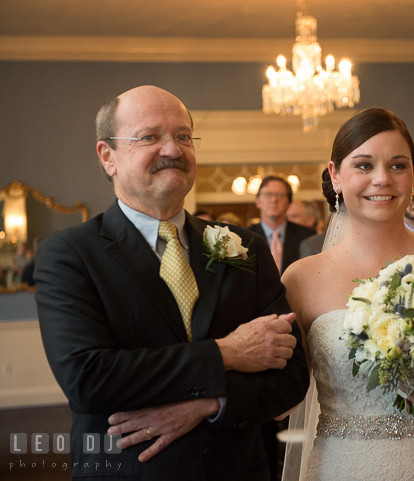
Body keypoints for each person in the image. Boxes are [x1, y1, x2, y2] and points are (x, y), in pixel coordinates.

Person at [34, 85, 309, 480]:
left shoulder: (243, 246)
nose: (173, 150)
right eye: (150, 137)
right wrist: (227, 353)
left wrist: (209, 404)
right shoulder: (69, 253)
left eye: (183, 136)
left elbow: (292, 376)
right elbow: (89, 379)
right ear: (107, 157)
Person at [280, 107, 414, 480]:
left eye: (398, 165)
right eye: (363, 165)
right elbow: (282, 399)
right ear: (335, 176)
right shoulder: (301, 280)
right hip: (345, 465)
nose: (382, 179)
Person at [249, 176, 316, 275]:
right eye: (268, 194)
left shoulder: (307, 236)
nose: (274, 200)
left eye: (280, 195)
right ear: (258, 202)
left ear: (288, 203)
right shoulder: (246, 237)